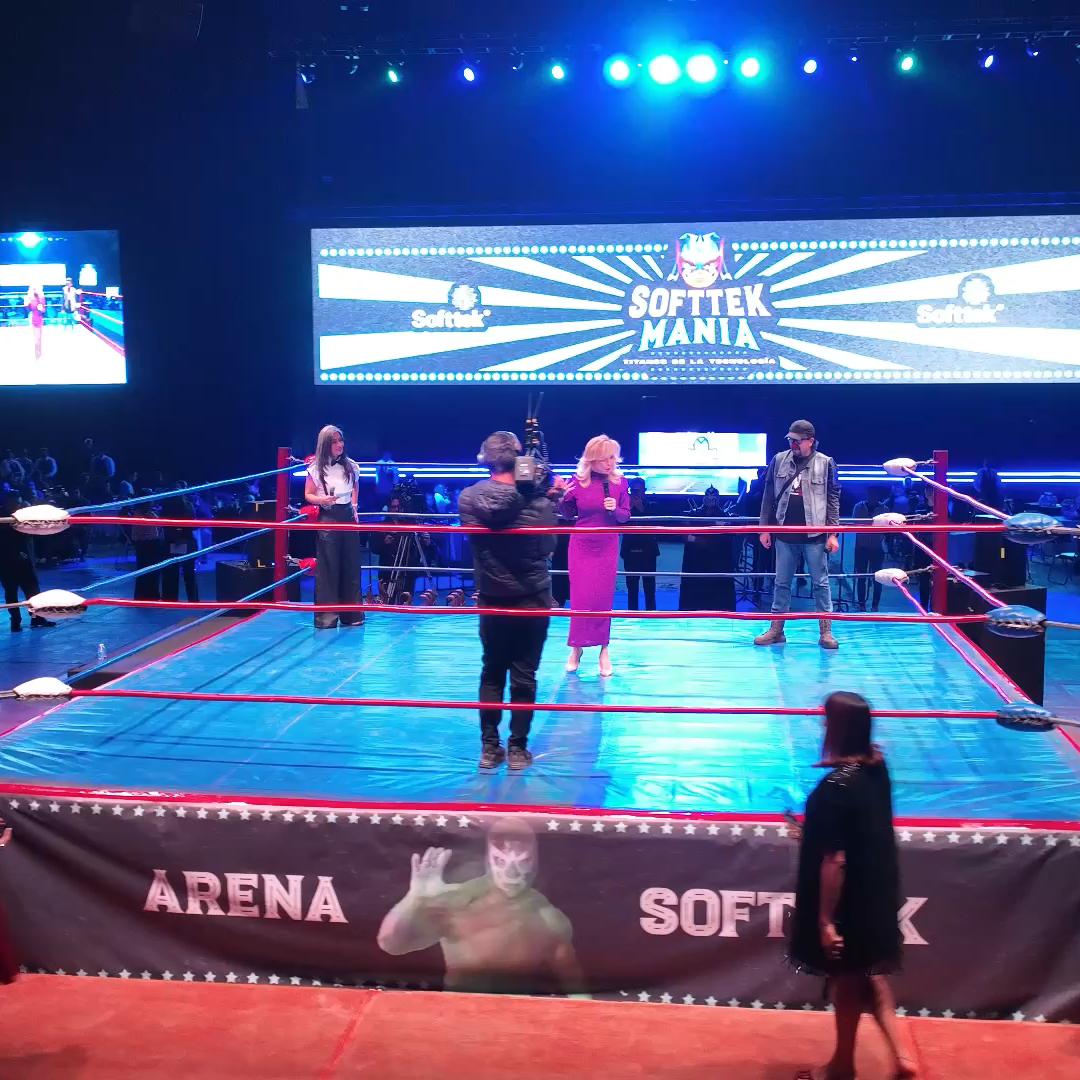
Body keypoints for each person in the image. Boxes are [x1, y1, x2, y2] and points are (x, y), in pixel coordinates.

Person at [788, 692, 916, 1080]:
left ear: (838, 727)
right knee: (869, 974)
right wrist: (811, 833)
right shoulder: (877, 768)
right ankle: (902, 1058)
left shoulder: (835, 787)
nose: (822, 724)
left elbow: (835, 860)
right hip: (875, 892)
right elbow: (858, 830)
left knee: (847, 981)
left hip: (847, 900)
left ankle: (841, 1066)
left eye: (827, 718)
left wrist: (826, 921)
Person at [377, 818, 586, 996]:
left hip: (518, 1019)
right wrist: (415, 898)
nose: (511, 873)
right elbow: (391, 944)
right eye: (501, 861)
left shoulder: (549, 917)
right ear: (489, 860)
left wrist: (585, 1019)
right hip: (459, 1015)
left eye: (522, 861)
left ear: (534, 862)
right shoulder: (460, 901)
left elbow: (572, 978)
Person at [458, 431, 562, 770]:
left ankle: (489, 749)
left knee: (492, 670)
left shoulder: (468, 498)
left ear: (486, 460)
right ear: (519, 461)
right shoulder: (538, 503)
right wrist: (545, 498)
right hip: (532, 597)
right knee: (524, 673)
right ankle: (517, 750)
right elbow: (548, 549)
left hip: (492, 596)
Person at [756, 420, 841, 650]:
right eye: (790, 440)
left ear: (810, 441)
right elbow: (767, 496)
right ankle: (776, 630)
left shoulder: (826, 463)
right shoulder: (778, 460)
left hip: (815, 536)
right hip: (784, 534)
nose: (792, 444)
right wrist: (764, 528)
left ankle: (825, 632)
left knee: (820, 584)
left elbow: (833, 500)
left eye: (797, 440)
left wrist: (832, 533)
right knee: (781, 583)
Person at [560, 435, 630, 677]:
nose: (609, 463)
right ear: (592, 460)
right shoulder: (576, 481)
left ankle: (603, 649)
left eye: (612, 457)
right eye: (604, 459)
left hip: (606, 546)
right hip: (581, 546)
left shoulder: (620, 482)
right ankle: (576, 647)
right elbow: (567, 515)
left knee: (602, 599)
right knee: (580, 598)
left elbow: (625, 516)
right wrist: (562, 497)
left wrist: (615, 509)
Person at [305, 424, 363, 629]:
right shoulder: (316, 467)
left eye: (341, 440)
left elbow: (355, 485)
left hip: (347, 515)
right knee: (328, 567)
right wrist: (322, 499)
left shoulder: (351, 465)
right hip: (328, 516)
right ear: (325, 444)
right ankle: (326, 617)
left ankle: (352, 615)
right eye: (334, 441)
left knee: (351, 564)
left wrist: (354, 506)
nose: (340, 445)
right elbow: (308, 494)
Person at [0, 493, 55, 632]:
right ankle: (16, 621)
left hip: (24, 560)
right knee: (11, 592)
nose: (17, 505)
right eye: (14, 502)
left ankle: (37, 618)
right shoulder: (3, 518)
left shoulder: (22, 515)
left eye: (18, 503)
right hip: (7, 561)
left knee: (32, 591)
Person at [678, 485, 736, 612]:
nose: (710, 498)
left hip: (717, 562)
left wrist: (711, 541)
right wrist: (696, 540)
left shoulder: (724, 516)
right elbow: (684, 534)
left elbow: (727, 536)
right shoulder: (694, 515)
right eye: (708, 495)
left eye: (713, 496)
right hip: (696, 562)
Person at [621, 476, 659, 611]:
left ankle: (651, 615)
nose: (635, 493)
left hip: (648, 551)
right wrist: (628, 509)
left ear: (644, 490)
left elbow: (656, 525)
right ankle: (632, 615)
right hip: (629, 550)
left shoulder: (653, 506)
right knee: (631, 588)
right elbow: (618, 524)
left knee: (650, 588)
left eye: (638, 491)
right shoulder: (624, 507)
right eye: (633, 490)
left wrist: (642, 509)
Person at [852, 486, 888, 612]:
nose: (872, 496)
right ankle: (861, 604)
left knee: (878, 578)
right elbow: (855, 523)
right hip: (861, 547)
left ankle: (875, 605)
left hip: (877, 548)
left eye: (874, 494)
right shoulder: (858, 507)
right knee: (861, 577)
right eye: (870, 493)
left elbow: (886, 528)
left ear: (878, 495)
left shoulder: (884, 509)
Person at [160, 495, 199, 603]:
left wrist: (175, 534)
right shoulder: (188, 506)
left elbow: (163, 523)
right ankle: (193, 599)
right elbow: (194, 524)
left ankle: (170, 598)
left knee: (171, 572)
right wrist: (182, 532)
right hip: (186, 540)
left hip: (172, 540)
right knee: (189, 573)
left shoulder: (167, 506)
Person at [23, 285, 46, 360]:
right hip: (32, 318)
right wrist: (26, 305)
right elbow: (28, 309)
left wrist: (41, 309)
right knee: (35, 339)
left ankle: (39, 356)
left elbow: (44, 310)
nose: (35, 290)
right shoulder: (30, 298)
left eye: (36, 288)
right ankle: (36, 356)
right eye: (34, 289)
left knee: (38, 339)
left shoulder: (41, 298)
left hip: (39, 318)